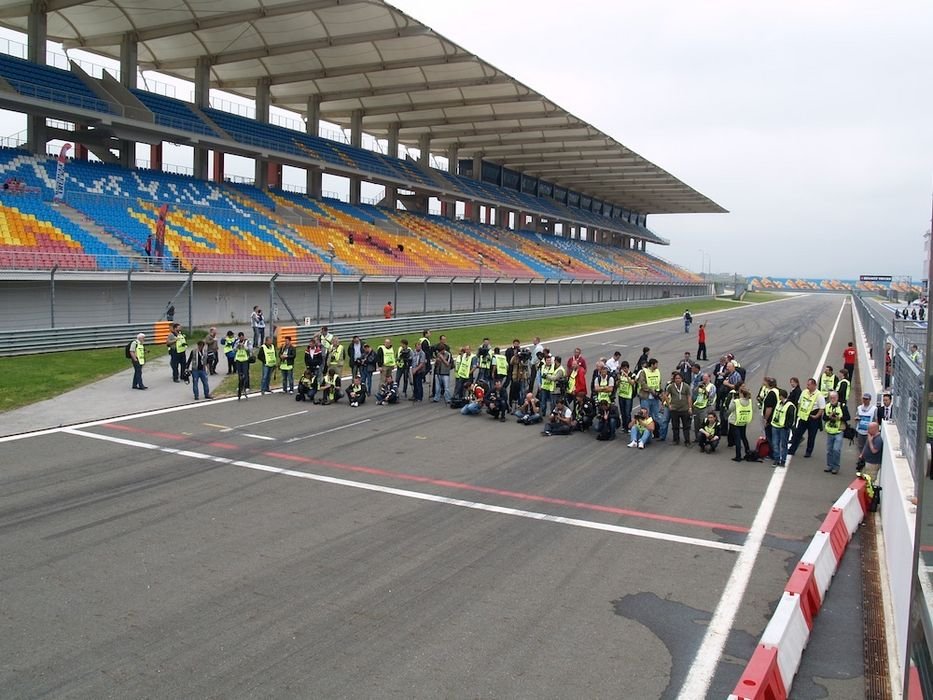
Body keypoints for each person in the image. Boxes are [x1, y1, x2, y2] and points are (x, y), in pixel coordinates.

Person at [788, 378, 825, 459]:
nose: (807, 386)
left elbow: (822, 408)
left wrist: (816, 416)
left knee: (811, 436)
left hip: (813, 418)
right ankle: (792, 450)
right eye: (807, 385)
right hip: (804, 417)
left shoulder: (819, 395)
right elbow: (799, 402)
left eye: (809, 385)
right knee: (797, 434)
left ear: (814, 385)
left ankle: (808, 452)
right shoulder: (804, 392)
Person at [822, 391, 849, 474]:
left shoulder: (842, 406)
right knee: (829, 450)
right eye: (831, 398)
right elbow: (824, 418)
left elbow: (847, 417)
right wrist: (829, 417)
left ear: (837, 398)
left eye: (834, 398)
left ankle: (836, 466)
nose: (832, 399)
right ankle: (829, 465)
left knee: (836, 449)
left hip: (839, 431)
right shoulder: (827, 406)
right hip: (830, 430)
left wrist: (839, 418)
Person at [636, 358, 662, 437]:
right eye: (656, 364)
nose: (657, 366)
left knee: (656, 415)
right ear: (652, 364)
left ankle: (657, 431)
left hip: (655, 398)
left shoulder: (657, 371)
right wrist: (651, 390)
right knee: (646, 416)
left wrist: (658, 392)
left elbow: (659, 382)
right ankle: (647, 434)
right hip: (646, 397)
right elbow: (642, 383)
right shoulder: (644, 372)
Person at [770, 389, 795, 467]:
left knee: (783, 445)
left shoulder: (790, 406)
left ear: (781, 396)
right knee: (775, 443)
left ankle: (783, 460)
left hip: (783, 428)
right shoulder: (778, 403)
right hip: (775, 425)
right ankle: (776, 459)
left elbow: (791, 418)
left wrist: (786, 426)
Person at [665, 371, 692, 446]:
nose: (677, 380)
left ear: (682, 379)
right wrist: (669, 404)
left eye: (679, 378)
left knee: (686, 426)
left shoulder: (686, 386)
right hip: (674, 409)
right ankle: (676, 440)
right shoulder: (670, 386)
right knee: (675, 426)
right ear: (674, 379)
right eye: (676, 378)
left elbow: (689, 397)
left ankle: (687, 441)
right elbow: (665, 395)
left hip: (684, 409)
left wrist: (690, 407)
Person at [728, 387, 754, 461]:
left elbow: (730, 409)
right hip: (743, 421)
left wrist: (733, 399)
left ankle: (738, 456)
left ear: (741, 393)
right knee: (744, 437)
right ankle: (747, 452)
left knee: (737, 439)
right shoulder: (749, 401)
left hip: (735, 421)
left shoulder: (736, 401)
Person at [234, 334, 252, 400]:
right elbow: (234, 349)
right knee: (239, 374)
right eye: (240, 337)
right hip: (238, 359)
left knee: (245, 373)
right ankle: (240, 386)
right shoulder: (237, 342)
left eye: (242, 337)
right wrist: (237, 347)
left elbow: (250, 349)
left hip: (245, 360)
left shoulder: (248, 342)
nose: (241, 338)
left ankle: (247, 386)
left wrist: (244, 346)